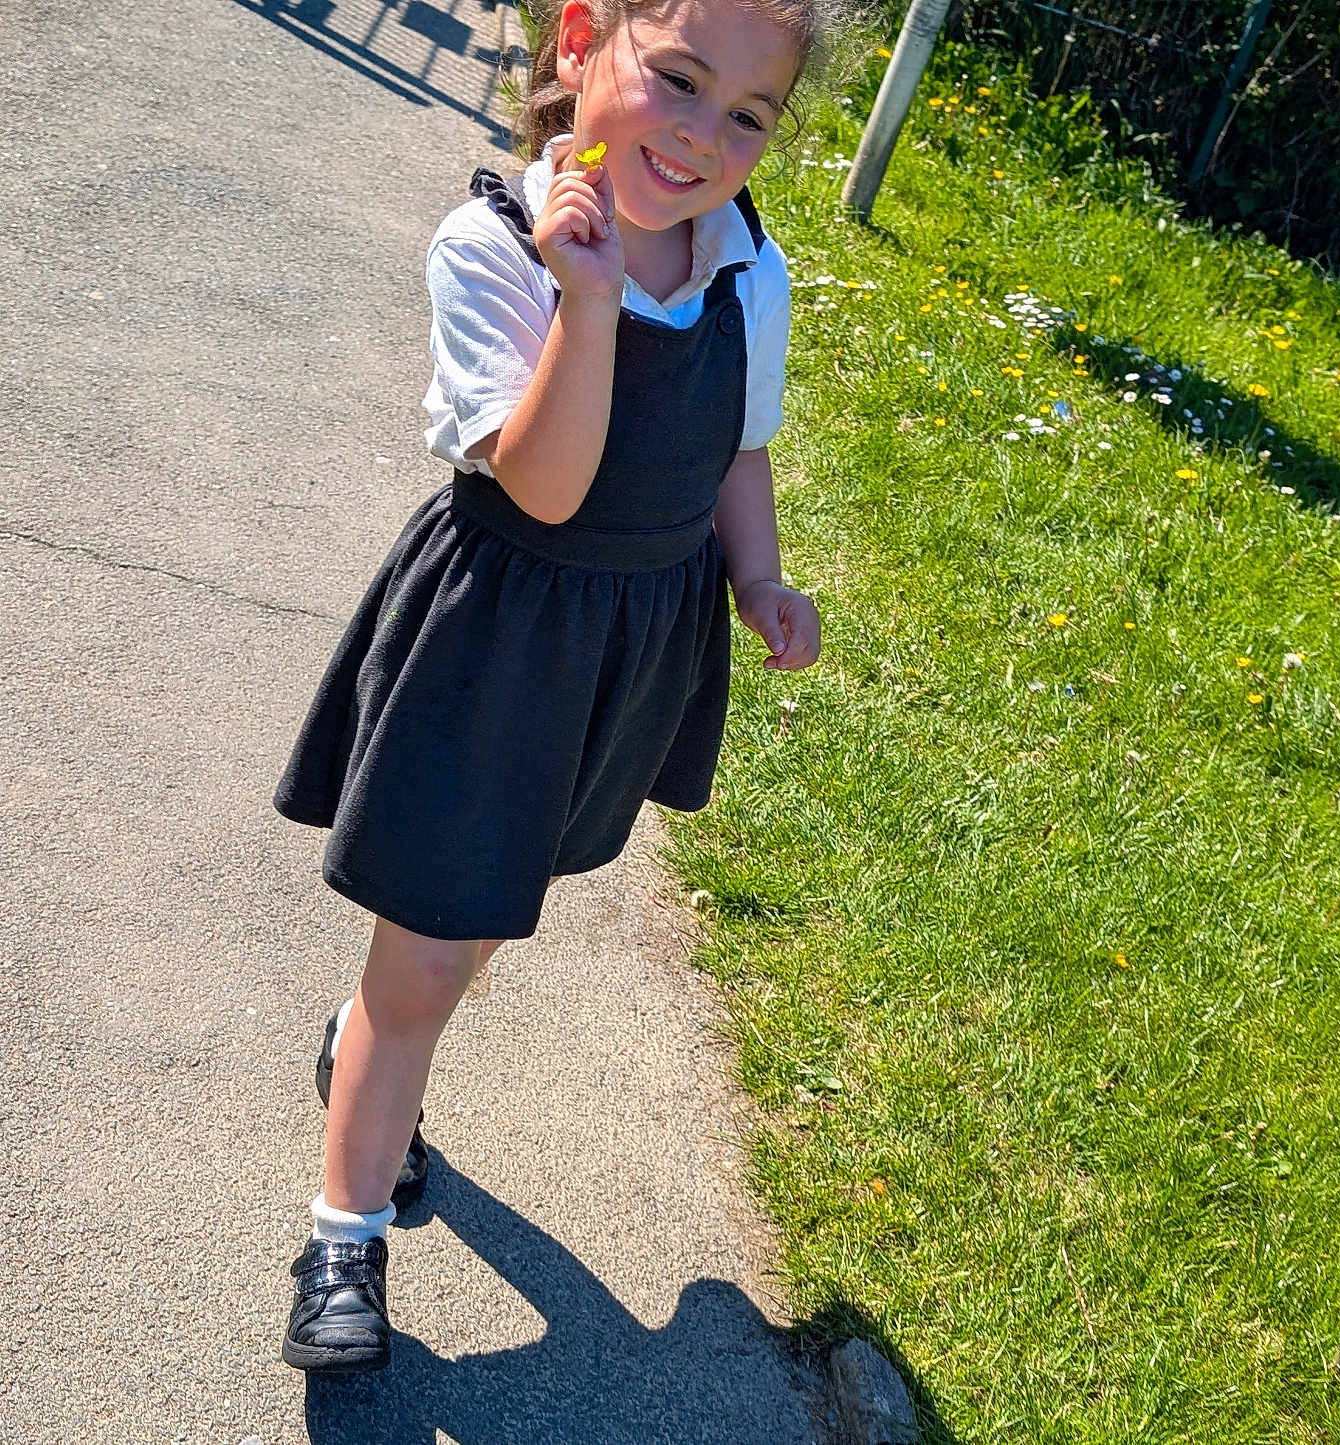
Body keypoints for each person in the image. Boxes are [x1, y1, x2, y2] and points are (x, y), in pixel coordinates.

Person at [274, 0, 839, 1375]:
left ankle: (360, 1045)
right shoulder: (493, 248)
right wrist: (585, 301)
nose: (705, 137)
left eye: (748, 116)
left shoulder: (745, 266)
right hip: (495, 639)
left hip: (626, 649)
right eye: (679, 82)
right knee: (422, 953)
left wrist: (757, 579)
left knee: (474, 931)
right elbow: (542, 480)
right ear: (581, 43)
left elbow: (734, 451)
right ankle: (344, 1231)